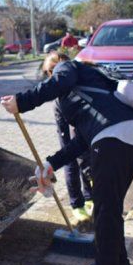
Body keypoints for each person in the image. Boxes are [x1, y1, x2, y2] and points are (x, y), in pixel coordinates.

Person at [0, 58, 133, 265]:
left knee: (105, 211)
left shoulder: (68, 67)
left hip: (113, 138)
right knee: (110, 209)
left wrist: (22, 101)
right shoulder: (93, 85)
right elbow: (80, 141)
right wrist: (50, 164)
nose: (52, 82)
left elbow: (62, 81)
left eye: (50, 76)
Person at [41, 53, 93, 221]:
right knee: (69, 158)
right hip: (65, 118)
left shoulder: (80, 82)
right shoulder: (58, 99)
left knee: (86, 157)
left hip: (84, 120)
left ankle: (90, 196)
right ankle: (77, 204)